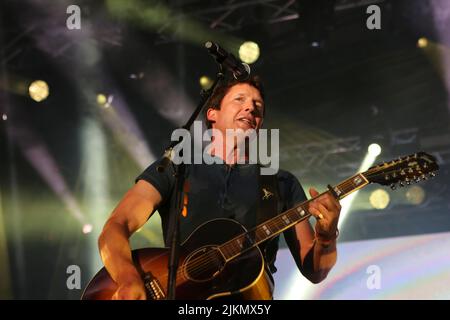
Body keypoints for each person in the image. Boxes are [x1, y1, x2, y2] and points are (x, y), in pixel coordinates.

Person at [98, 75, 341, 300]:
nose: (251, 107)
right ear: (212, 113)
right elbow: (116, 226)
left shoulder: (281, 183)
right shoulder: (178, 168)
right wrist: (128, 278)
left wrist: (327, 236)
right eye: (240, 99)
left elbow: (316, 272)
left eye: (258, 105)